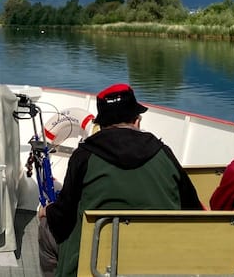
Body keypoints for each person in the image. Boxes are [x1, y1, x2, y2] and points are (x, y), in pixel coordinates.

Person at [39, 83, 202, 277]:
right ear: (136, 121)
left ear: (101, 126)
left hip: (94, 264)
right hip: (158, 263)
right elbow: (192, 209)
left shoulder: (84, 156)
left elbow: (63, 216)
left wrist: (47, 211)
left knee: (45, 226)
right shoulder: (164, 153)